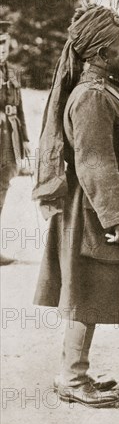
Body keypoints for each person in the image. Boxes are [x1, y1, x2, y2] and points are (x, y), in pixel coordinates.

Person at [32, 5, 119, 408]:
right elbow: (95, 161)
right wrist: (117, 217)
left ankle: (76, 370)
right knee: (84, 290)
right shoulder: (91, 96)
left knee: (91, 288)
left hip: (99, 204)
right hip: (95, 209)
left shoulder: (108, 88)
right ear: (100, 54)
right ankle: (71, 377)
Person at [0, 20, 30, 265]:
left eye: (3, 42)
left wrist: (26, 139)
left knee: (3, 188)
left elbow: (18, 108)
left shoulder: (11, 71)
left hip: (10, 138)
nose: (1, 47)